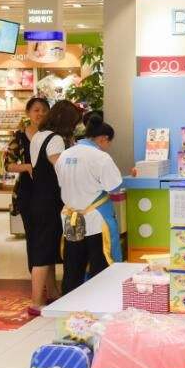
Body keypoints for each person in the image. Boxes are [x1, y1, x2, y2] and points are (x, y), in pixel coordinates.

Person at [22, 100, 80, 312]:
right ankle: (36, 302)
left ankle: (53, 293)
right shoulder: (55, 139)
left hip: (39, 198)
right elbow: (61, 166)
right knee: (42, 252)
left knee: (45, 250)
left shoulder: (39, 135)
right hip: (49, 201)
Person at [56, 115, 123, 294]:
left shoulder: (65, 155)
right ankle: (100, 301)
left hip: (70, 218)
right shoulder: (100, 157)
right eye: (109, 143)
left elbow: (61, 183)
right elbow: (114, 187)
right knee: (100, 264)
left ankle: (70, 302)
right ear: (103, 139)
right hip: (96, 219)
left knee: (73, 265)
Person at [6, 97, 49, 256]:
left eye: (44, 110)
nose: (40, 114)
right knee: (31, 234)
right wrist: (26, 167)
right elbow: (8, 165)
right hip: (27, 190)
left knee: (47, 235)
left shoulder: (53, 136)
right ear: (28, 113)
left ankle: (47, 268)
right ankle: (35, 268)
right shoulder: (19, 136)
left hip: (48, 191)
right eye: (36, 110)